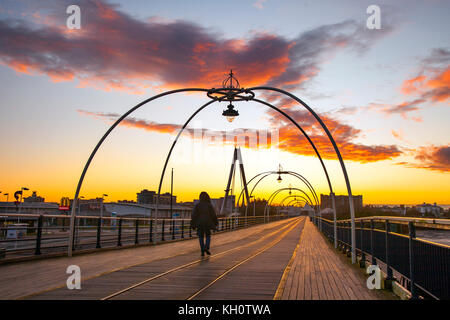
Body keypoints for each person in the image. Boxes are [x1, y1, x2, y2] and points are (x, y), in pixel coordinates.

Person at [191, 191, 218, 256]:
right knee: (208, 235)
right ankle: (206, 247)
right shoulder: (209, 205)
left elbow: (194, 215)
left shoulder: (197, 205)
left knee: (201, 237)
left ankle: (202, 251)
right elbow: (213, 215)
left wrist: (193, 223)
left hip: (199, 223)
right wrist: (215, 223)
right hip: (208, 223)